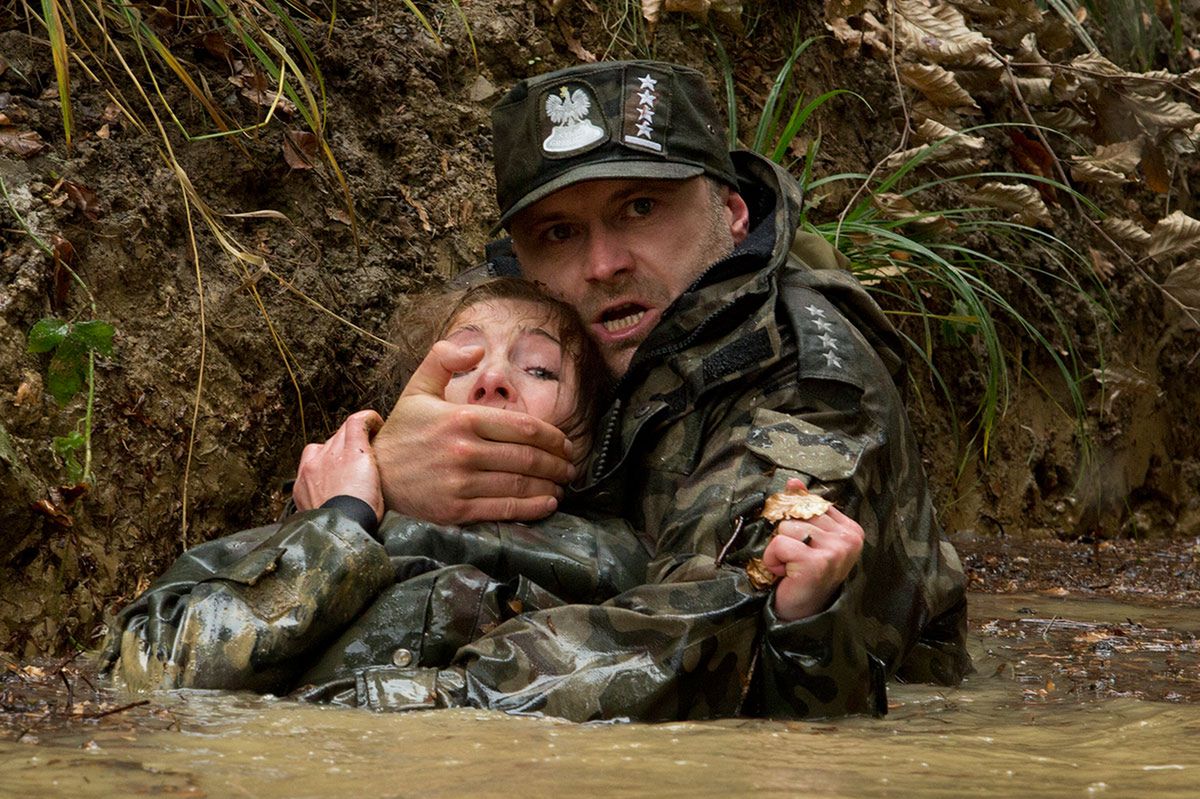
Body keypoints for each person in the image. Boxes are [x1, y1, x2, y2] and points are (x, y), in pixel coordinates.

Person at [362, 60, 971, 719]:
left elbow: (705, 645)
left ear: (733, 212)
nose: (603, 264)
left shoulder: (803, 390)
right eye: (560, 233)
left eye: (641, 208)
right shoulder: (525, 317)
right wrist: (378, 468)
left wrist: (376, 696)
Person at [101, 278, 648, 698]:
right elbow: (140, 677)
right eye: (464, 360)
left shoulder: (629, 568)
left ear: (589, 440)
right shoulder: (289, 540)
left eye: (540, 369)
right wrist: (342, 519)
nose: (492, 378)